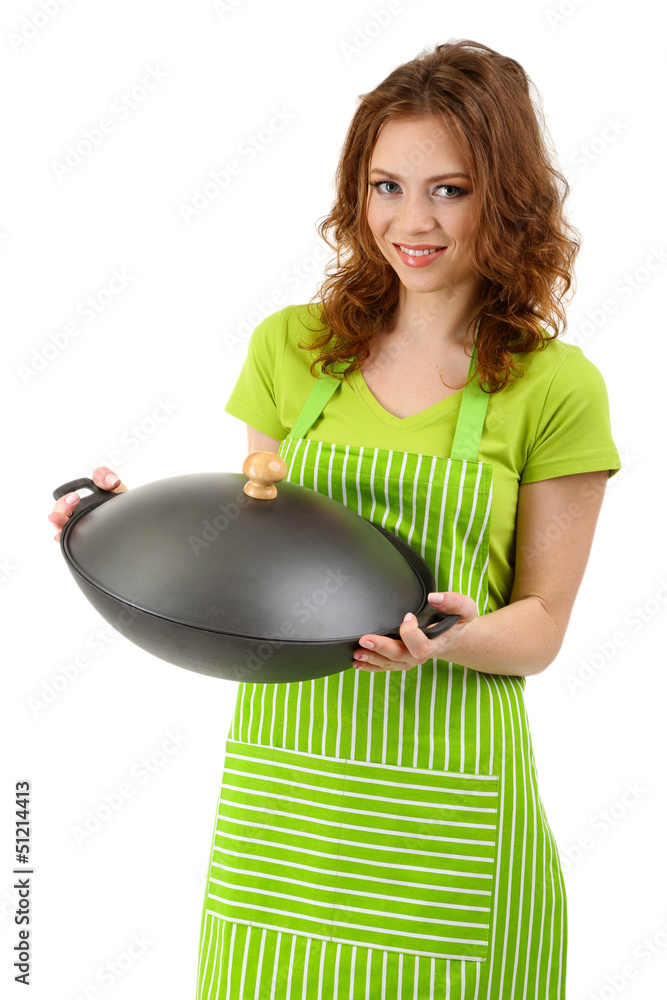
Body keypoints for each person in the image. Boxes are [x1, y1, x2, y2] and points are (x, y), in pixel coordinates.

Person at [49, 39, 621, 999]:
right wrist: (112, 525)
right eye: (386, 186)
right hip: (284, 807)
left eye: (450, 189)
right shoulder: (293, 350)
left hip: (442, 809)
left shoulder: (554, 387)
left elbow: (542, 631)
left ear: (506, 197)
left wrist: (444, 641)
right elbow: (247, 548)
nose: (412, 221)